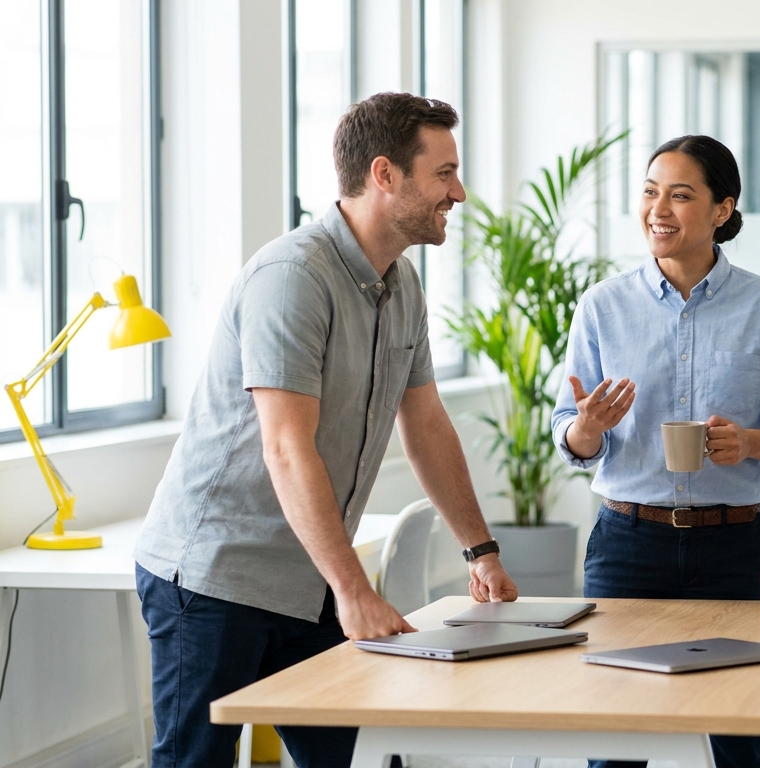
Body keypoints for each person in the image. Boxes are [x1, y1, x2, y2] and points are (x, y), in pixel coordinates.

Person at [133, 92, 518, 768]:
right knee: (195, 760)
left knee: (357, 752)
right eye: (444, 173)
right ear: (384, 174)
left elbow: (424, 423)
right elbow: (286, 445)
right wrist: (353, 591)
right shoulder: (293, 277)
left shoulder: (401, 286)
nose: (457, 192)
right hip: (218, 576)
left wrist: (478, 550)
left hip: (309, 577)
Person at [551, 135, 760, 768]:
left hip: (733, 548)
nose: (659, 209)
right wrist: (587, 429)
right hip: (627, 545)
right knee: (614, 739)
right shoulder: (602, 306)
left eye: (680, 195)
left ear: (722, 209)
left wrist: (754, 443)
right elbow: (568, 429)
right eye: (650, 192)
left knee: (741, 736)